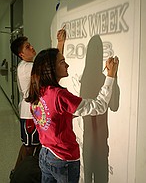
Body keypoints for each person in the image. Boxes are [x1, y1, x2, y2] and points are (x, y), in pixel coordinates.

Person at [26, 47, 119, 183]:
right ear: (51, 68)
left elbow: (54, 115)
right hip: (63, 158)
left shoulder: (38, 89)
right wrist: (111, 76)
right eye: (62, 62)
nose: (67, 65)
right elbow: (99, 106)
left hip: (45, 154)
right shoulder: (59, 95)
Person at [10, 28, 66, 178]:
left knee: (29, 145)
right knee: (29, 147)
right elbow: (52, 67)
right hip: (29, 114)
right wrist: (60, 43)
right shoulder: (26, 68)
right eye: (27, 47)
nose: (32, 47)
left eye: (30, 44)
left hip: (31, 112)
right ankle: (18, 175)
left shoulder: (28, 66)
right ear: (21, 54)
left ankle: (16, 173)